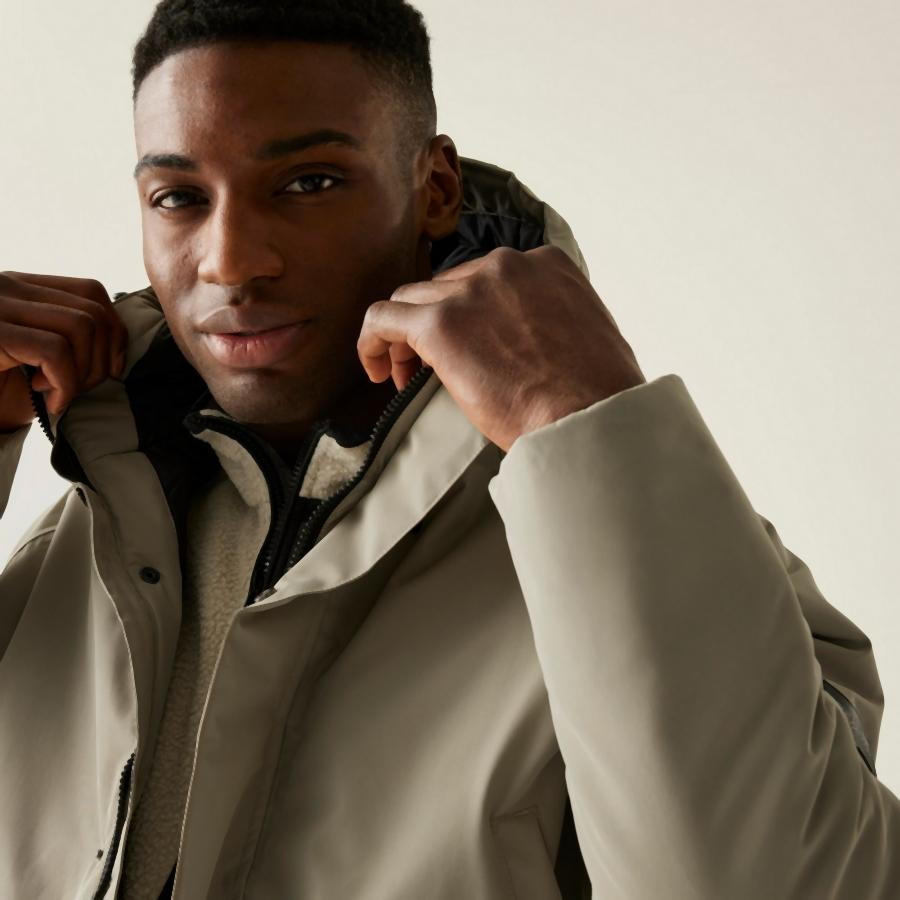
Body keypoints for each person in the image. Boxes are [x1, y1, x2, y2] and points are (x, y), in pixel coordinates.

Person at [0, 1, 897, 898]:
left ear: (435, 188)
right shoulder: (68, 552)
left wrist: (584, 417)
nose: (230, 262)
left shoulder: (669, 552)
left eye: (309, 182)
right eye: (178, 198)